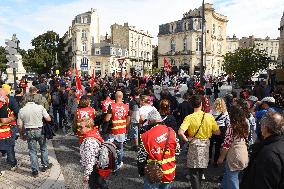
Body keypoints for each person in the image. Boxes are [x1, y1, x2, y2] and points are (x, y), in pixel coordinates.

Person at [178, 95, 220, 189]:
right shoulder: (209, 116)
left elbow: (180, 132)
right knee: (201, 167)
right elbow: (217, 132)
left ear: (192, 105)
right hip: (205, 143)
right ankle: (199, 185)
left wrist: (187, 140)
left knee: (193, 170)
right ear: (201, 104)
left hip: (194, 143)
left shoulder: (189, 117)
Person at [240, 112, 284, 189]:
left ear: (265, 128)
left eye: (261, 125)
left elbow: (263, 184)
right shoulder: (278, 144)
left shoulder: (268, 154)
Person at [138, 109, 177, 189]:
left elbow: (141, 158)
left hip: (152, 172)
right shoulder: (171, 131)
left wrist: (141, 172)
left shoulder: (144, 136)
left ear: (149, 121)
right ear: (160, 120)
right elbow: (178, 151)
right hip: (169, 171)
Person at [17, 95, 52, 177]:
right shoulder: (40, 107)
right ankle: (45, 165)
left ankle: (35, 170)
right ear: (33, 100)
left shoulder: (22, 110)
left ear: (25, 101)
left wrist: (21, 135)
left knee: (32, 151)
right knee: (43, 148)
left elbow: (19, 125)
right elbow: (48, 119)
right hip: (40, 130)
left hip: (29, 131)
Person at [217, 106, 249, 189]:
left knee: (232, 177)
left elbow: (227, 144)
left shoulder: (231, 127)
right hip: (243, 152)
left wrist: (221, 158)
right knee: (229, 173)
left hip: (234, 155)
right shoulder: (245, 124)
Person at [79, 116, 107, 189]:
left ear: (88, 127)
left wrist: (86, 175)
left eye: (81, 127)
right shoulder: (94, 133)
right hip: (99, 165)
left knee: (94, 185)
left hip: (93, 169)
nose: (79, 129)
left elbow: (90, 160)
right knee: (101, 183)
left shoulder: (89, 141)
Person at [105, 91, 130, 171]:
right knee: (120, 147)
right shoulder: (126, 106)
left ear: (116, 97)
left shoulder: (112, 106)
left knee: (111, 147)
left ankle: (111, 163)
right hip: (122, 129)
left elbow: (107, 119)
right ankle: (119, 162)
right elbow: (128, 118)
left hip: (113, 129)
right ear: (121, 97)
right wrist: (126, 127)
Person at [0, 88, 17, 172]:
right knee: (10, 148)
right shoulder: (2, 106)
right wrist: (13, 118)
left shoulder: (7, 104)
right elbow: (4, 120)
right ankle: (12, 163)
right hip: (4, 133)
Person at [209, 98, 230, 166]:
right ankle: (215, 161)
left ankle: (209, 159)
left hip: (212, 129)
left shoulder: (211, 112)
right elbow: (228, 123)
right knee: (218, 146)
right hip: (221, 129)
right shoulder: (225, 112)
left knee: (210, 145)